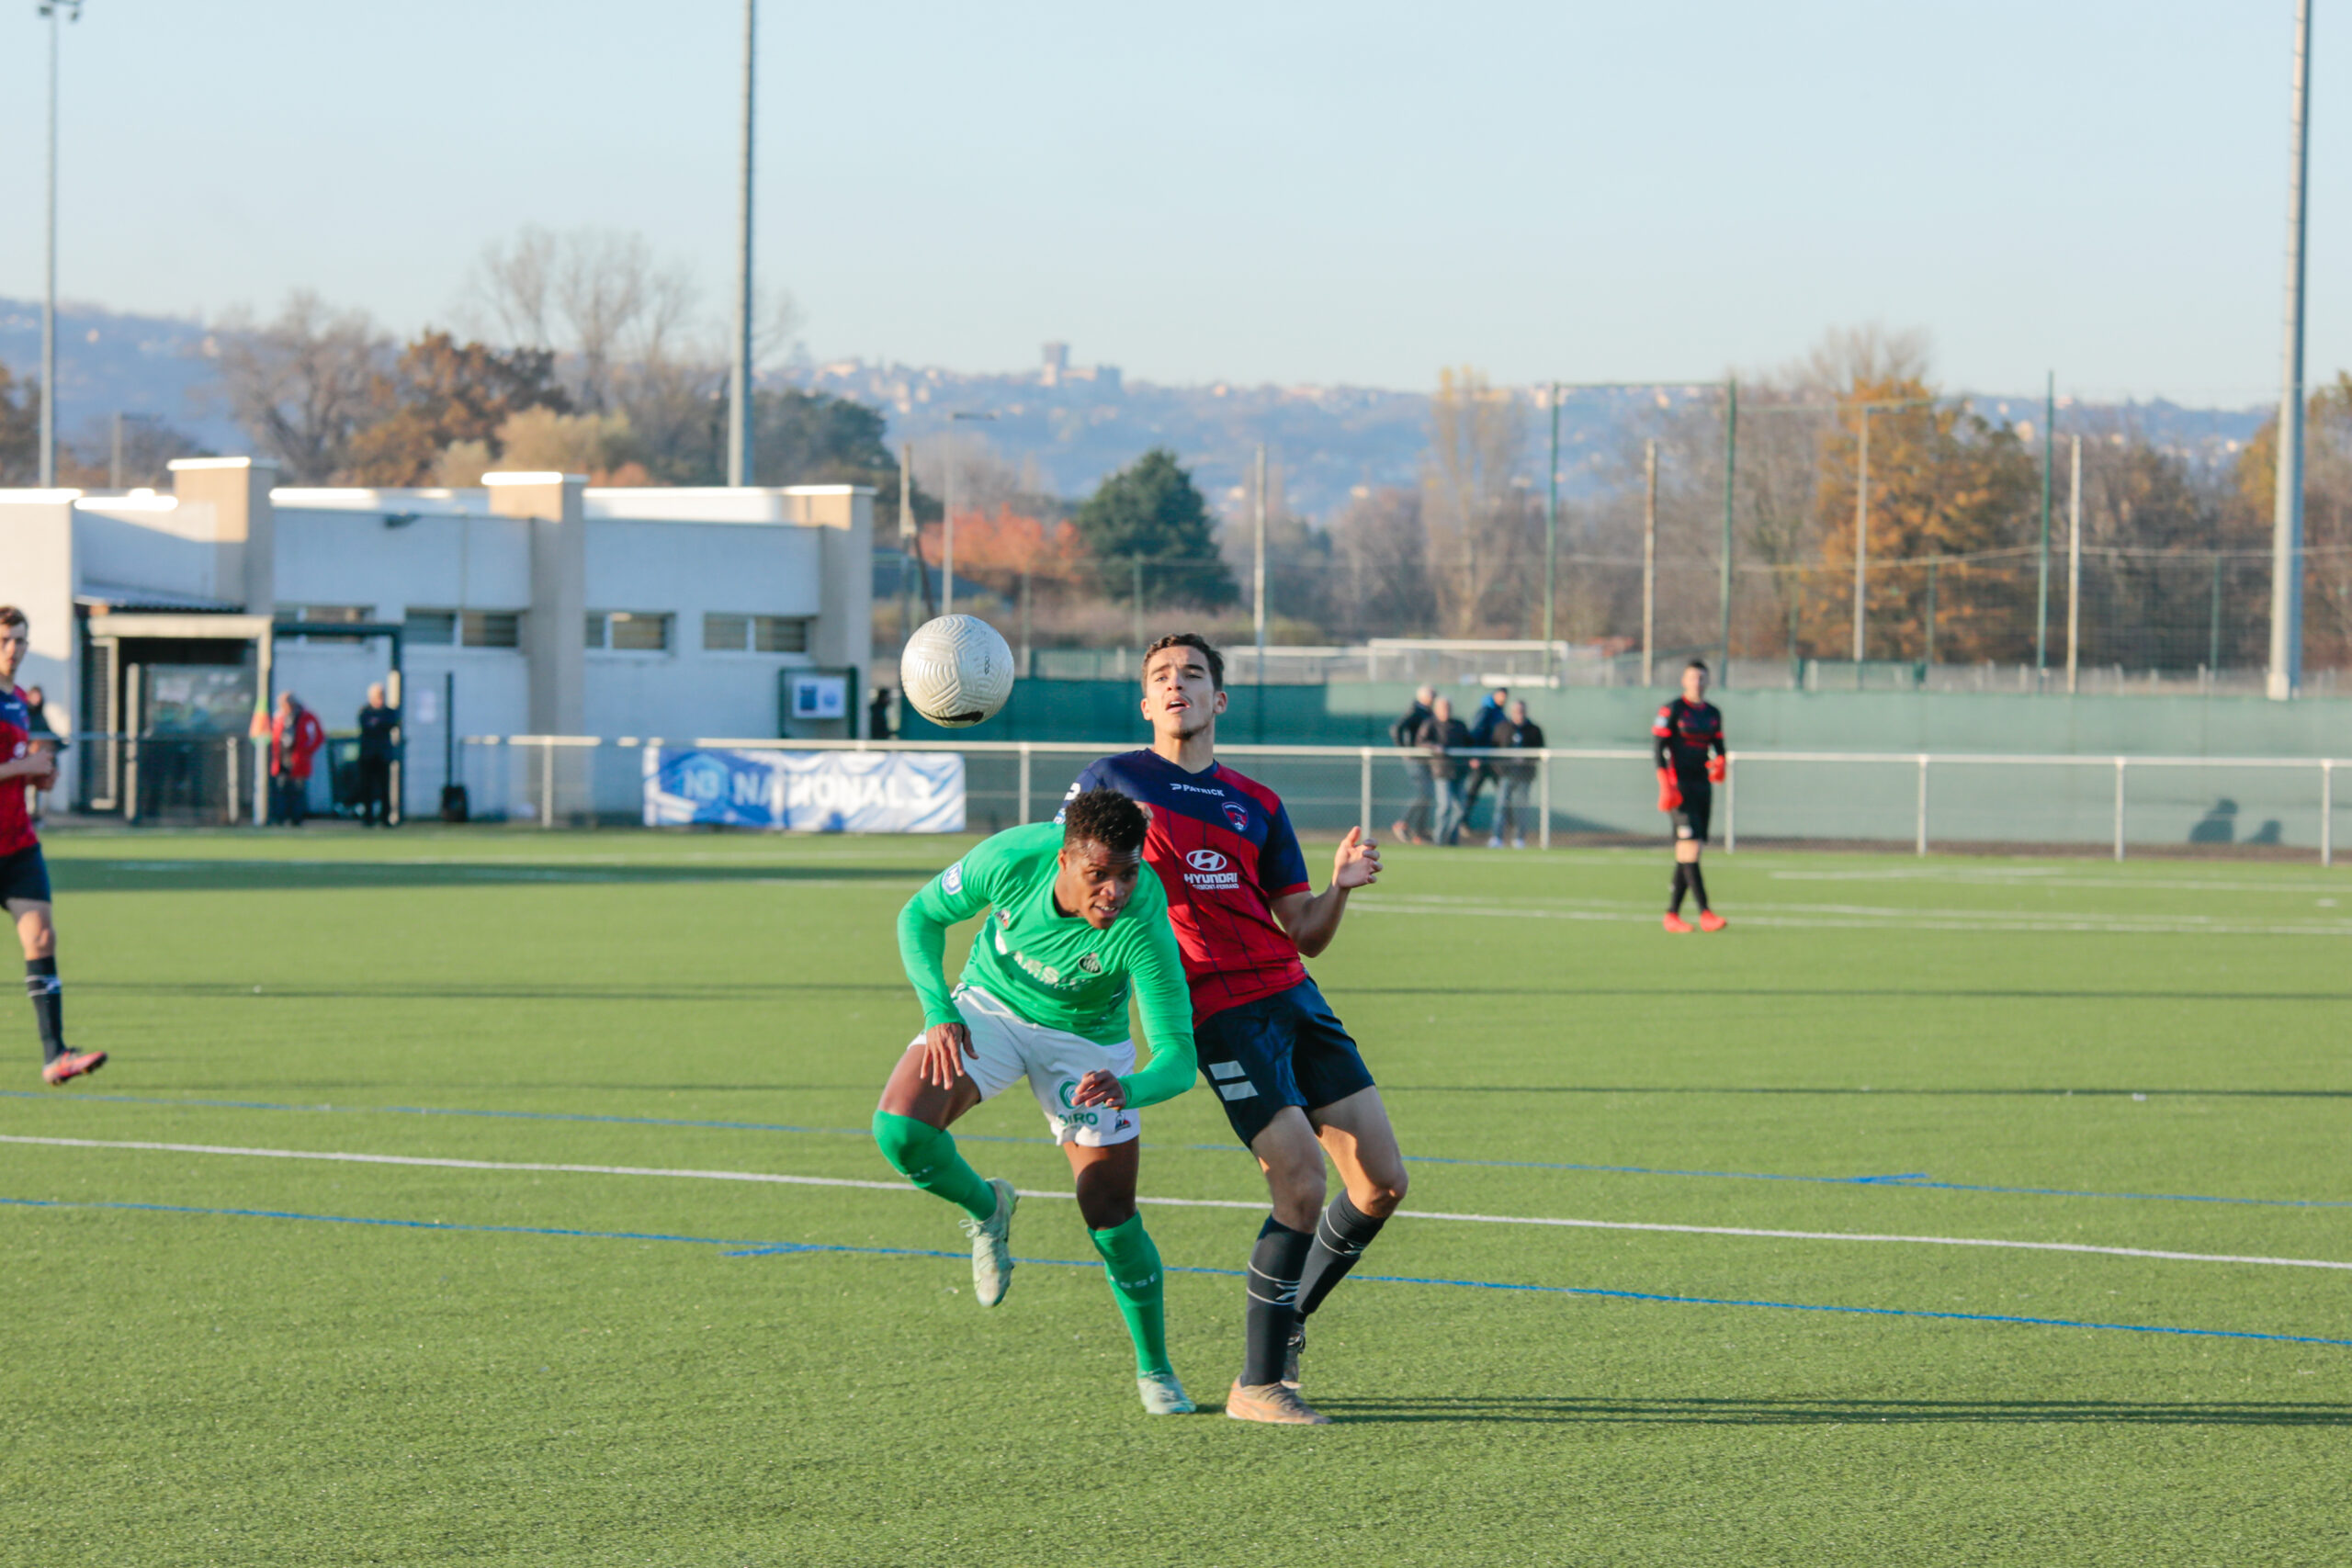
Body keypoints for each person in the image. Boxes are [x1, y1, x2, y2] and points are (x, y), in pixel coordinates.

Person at [1061, 633, 1399, 1427]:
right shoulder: (1110, 782)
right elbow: (1074, 882)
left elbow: (1304, 930)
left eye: (1194, 674)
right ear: (1145, 704)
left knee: (1380, 1183)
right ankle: (1257, 1384)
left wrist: (1340, 887)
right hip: (1212, 1004)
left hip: (1294, 994)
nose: (1177, 684)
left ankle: (1286, 1324)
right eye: (1160, 677)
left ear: (1220, 700)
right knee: (1301, 1182)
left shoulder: (1259, 803)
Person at [876, 786, 1203, 1416]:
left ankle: (1156, 1369)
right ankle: (988, 1207)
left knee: (1107, 1210)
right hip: (988, 1006)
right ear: (1063, 859)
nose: (1115, 891)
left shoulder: (1142, 922)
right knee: (900, 1131)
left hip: (1085, 1048)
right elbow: (917, 916)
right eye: (1098, 875)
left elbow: (1178, 1059)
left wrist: (1125, 1086)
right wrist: (939, 1010)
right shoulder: (1010, 857)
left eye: (1128, 873)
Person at [0, 609, 104, 1085]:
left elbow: (17, 764)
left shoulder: (19, 700)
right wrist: (22, 770)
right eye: (5, 640)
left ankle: (55, 1054)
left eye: (20, 640)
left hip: (17, 844)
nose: (13, 649)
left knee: (41, 938)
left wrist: (41, 774)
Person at [1653, 660, 1728, 932]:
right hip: (1679, 787)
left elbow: (1719, 746)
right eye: (1693, 677)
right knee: (1690, 849)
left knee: (1687, 853)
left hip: (1701, 787)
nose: (1698, 682)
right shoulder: (1672, 709)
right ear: (1684, 680)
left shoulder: (1712, 713)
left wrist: (1721, 763)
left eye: (1703, 678)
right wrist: (1664, 782)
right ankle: (1705, 912)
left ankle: (1671, 915)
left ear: (1708, 681)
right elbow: (1658, 747)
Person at [254, 693, 325, 826]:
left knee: (297, 791)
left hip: (298, 760)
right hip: (281, 760)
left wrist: (307, 752)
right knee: (282, 790)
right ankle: (281, 818)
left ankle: (296, 819)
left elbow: (318, 736)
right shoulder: (279, 717)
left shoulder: (306, 717)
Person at [1487, 699, 1544, 850]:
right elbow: (1494, 750)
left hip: (1524, 776)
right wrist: (1499, 770)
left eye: (1521, 710)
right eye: (1516, 711)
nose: (1519, 714)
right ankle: (1497, 838)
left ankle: (1519, 839)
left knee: (1521, 808)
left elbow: (1539, 751)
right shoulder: (1502, 727)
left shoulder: (1534, 729)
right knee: (1501, 807)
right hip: (1505, 775)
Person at [1416, 694, 1472, 846]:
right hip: (1441, 771)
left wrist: (1473, 758)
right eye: (1442, 707)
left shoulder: (1459, 725)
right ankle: (1439, 840)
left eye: (1447, 707)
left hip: (1459, 771)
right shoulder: (1430, 724)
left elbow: (1469, 743)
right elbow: (1420, 742)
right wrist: (1435, 747)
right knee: (1445, 806)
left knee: (1460, 809)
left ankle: (1451, 839)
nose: (1445, 711)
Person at [1387, 684, 1435, 844]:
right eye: (1431, 694)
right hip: (1415, 758)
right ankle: (1402, 823)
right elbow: (1396, 728)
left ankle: (1419, 832)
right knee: (1423, 792)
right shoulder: (1415, 711)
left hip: (1424, 758)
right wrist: (1403, 749)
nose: (1434, 697)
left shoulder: (1427, 712)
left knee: (1427, 794)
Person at [1460, 685, 1510, 835]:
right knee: (1472, 792)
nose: (1503, 698)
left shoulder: (1500, 713)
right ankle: (1462, 821)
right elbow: (1476, 732)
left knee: (1504, 792)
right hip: (1482, 760)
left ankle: (1510, 826)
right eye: (1501, 695)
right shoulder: (1486, 711)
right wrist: (1475, 755)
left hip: (1494, 761)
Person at [356, 683, 399, 827]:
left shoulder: (389, 712)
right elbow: (366, 725)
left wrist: (377, 723)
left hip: (383, 755)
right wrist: (378, 723)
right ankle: (367, 818)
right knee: (366, 788)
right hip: (367, 755)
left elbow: (391, 723)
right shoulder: (364, 711)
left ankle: (385, 818)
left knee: (385, 788)